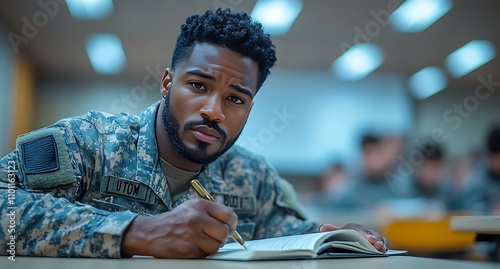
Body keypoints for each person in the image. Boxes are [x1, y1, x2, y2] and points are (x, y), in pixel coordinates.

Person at [0, 9, 387, 259]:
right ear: (168, 82)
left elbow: (294, 237)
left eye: (235, 99)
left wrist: (340, 241)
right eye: (199, 86)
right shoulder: (90, 142)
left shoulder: (253, 178)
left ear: (250, 109)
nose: (213, 111)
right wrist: (134, 231)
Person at [464, 123, 500, 214]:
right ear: (488, 154)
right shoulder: (477, 179)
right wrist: (491, 210)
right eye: (496, 157)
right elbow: (468, 209)